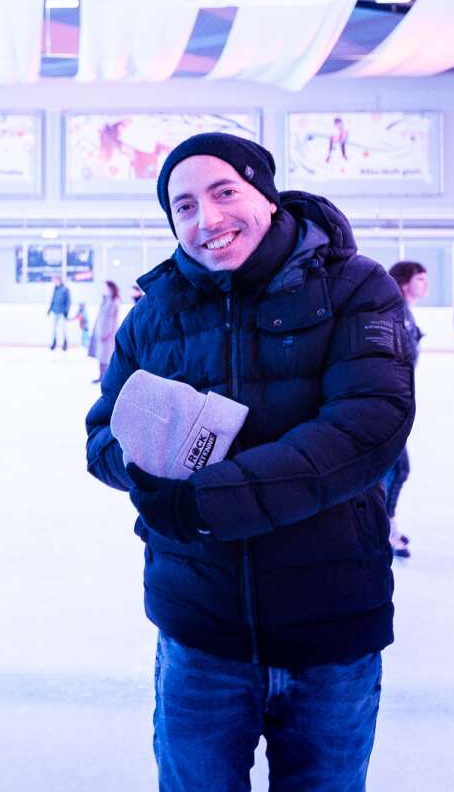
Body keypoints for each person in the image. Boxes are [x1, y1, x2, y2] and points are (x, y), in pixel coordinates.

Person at [85, 133, 414, 792]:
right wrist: (142, 470)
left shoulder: (357, 289)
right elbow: (101, 433)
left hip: (330, 627)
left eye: (223, 192)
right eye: (183, 206)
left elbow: (367, 426)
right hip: (200, 629)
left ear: (264, 193)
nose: (206, 218)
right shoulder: (157, 313)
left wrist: (206, 503)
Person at [383, 260, 428, 559]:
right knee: (397, 468)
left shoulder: (402, 311)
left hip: (395, 404)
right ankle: (381, 528)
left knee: (393, 469)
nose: (426, 285)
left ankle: (384, 526)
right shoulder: (392, 310)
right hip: (384, 407)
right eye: (421, 279)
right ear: (403, 282)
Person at [89, 279, 121, 383]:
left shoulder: (114, 301)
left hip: (108, 332)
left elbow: (114, 318)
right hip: (100, 331)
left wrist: (109, 332)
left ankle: (106, 378)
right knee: (100, 356)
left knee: (106, 356)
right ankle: (101, 376)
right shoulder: (104, 300)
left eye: (106, 287)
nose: (104, 289)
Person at [47, 274, 71, 350]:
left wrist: (66, 311)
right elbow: (53, 300)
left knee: (63, 328)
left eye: (55, 280)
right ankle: (54, 342)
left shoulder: (65, 289)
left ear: (59, 280)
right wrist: (49, 309)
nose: (54, 282)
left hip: (62, 312)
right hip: (55, 311)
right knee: (54, 328)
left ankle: (65, 343)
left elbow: (68, 301)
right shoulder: (55, 289)